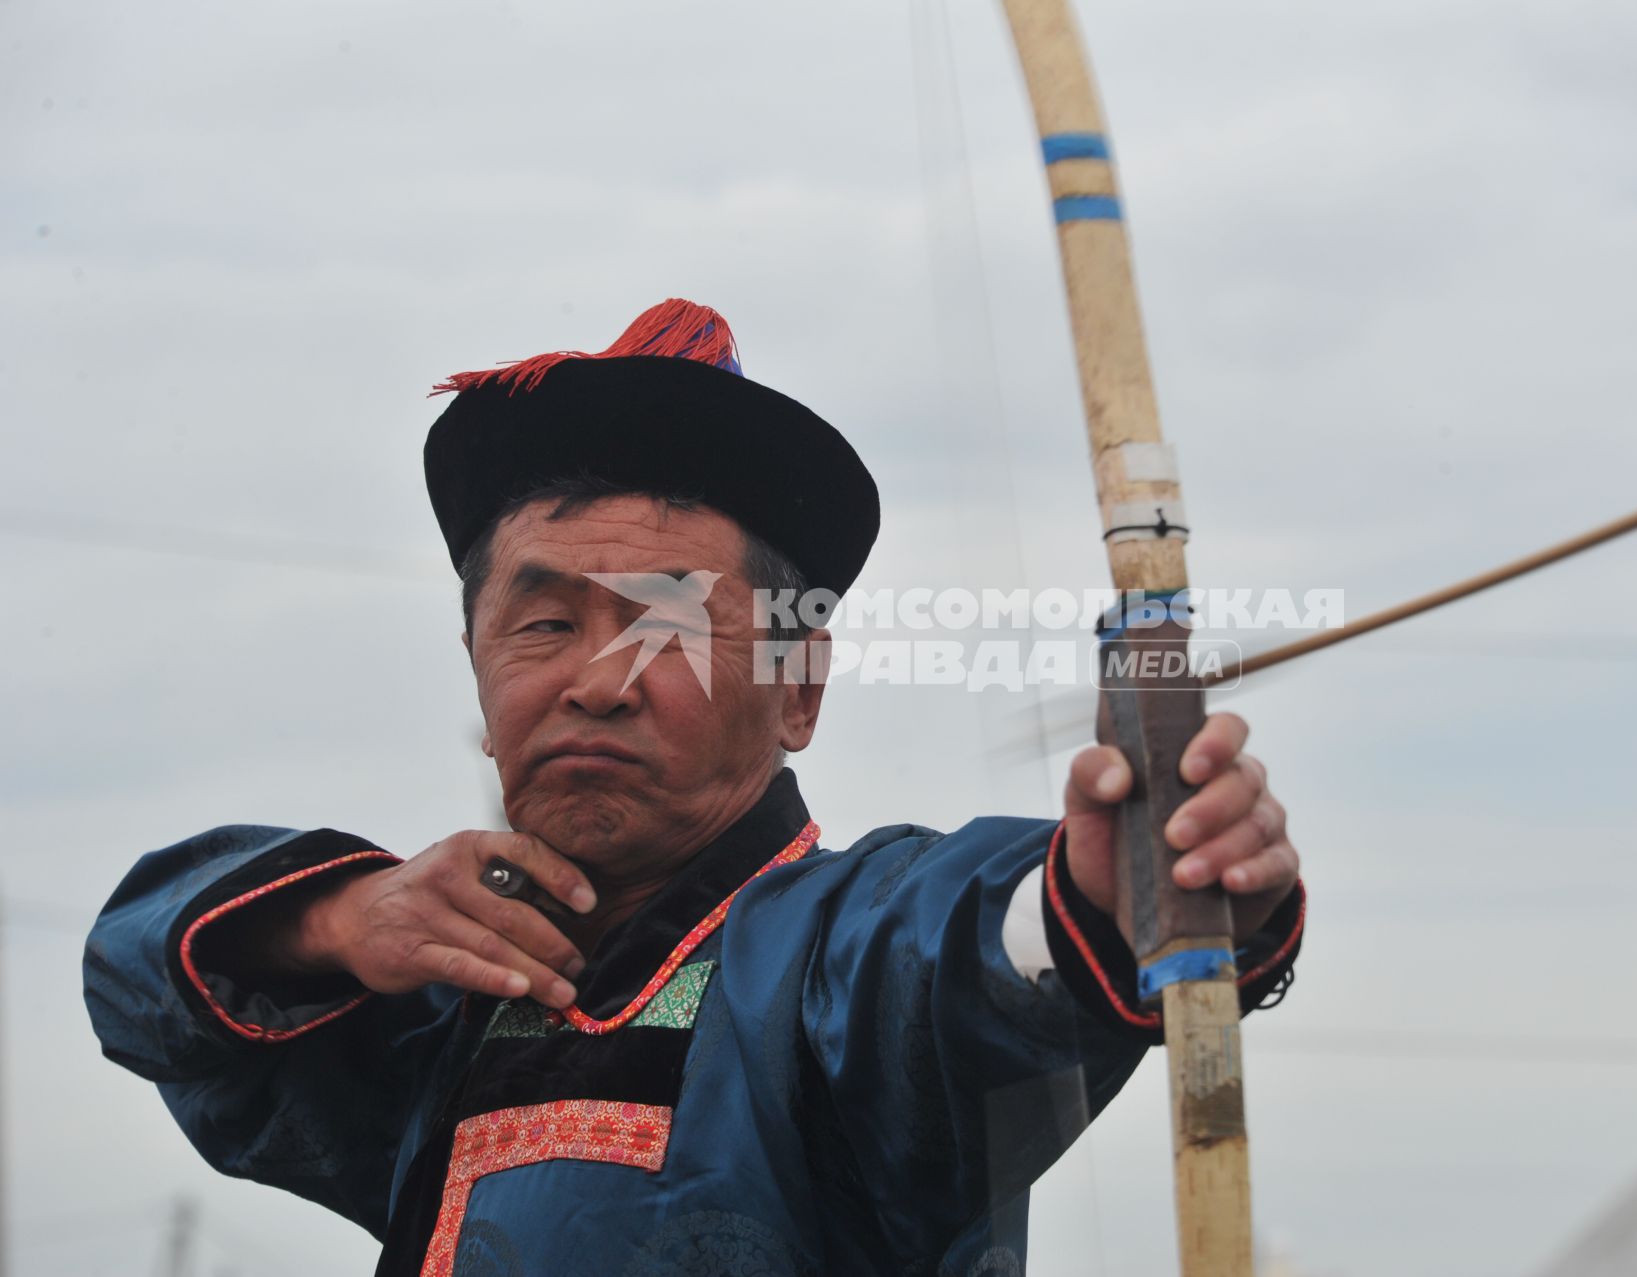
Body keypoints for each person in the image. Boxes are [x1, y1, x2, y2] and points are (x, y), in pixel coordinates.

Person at [84, 299, 1307, 1277]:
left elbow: (968, 939)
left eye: (669, 630)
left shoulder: (833, 957)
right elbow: (141, 977)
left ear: (797, 690)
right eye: (544, 621)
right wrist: (338, 920)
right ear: (475, 662)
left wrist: (1111, 884)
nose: (595, 682)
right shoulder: (451, 991)